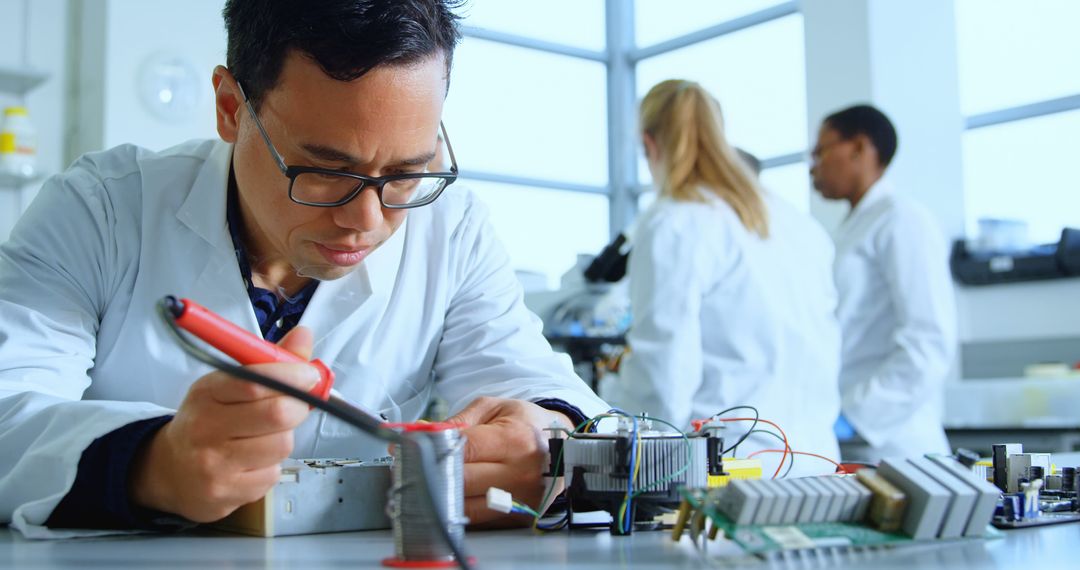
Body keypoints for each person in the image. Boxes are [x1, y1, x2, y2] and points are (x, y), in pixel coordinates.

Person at [0, 0, 608, 538]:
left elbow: (545, 393)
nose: (367, 221)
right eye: (327, 172)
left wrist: (549, 440)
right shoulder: (102, 209)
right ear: (231, 107)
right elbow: (8, 408)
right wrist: (152, 465)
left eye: (406, 172)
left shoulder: (452, 230)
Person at [601, 80, 841, 477]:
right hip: (816, 464)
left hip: (730, 471)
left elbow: (663, 382)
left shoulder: (674, 220)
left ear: (650, 145)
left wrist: (608, 395)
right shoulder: (798, 223)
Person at [810, 104, 957, 461]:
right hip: (853, 442)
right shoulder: (851, 228)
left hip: (898, 443)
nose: (813, 166)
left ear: (859, 148)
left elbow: (929, 341)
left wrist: (855, 416)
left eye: (821, 151)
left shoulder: (903, 220)